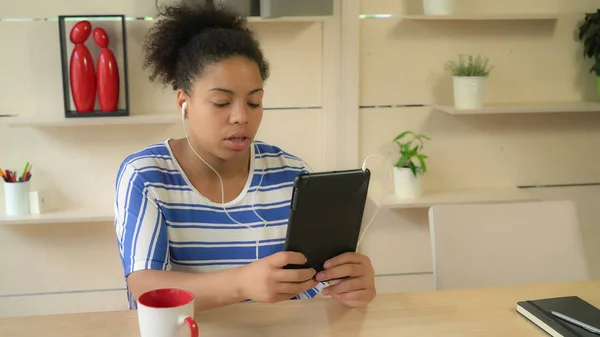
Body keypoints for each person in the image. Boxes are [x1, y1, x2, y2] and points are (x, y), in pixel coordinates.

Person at [113, 3, 376, 311]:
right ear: (184, 101)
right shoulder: (146, 175)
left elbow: (320, 286)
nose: (241, 117)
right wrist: (241, 284)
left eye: (254, 103)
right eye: (221, 102)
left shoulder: (293, 173)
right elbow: (144, 285)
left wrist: (353, 284)